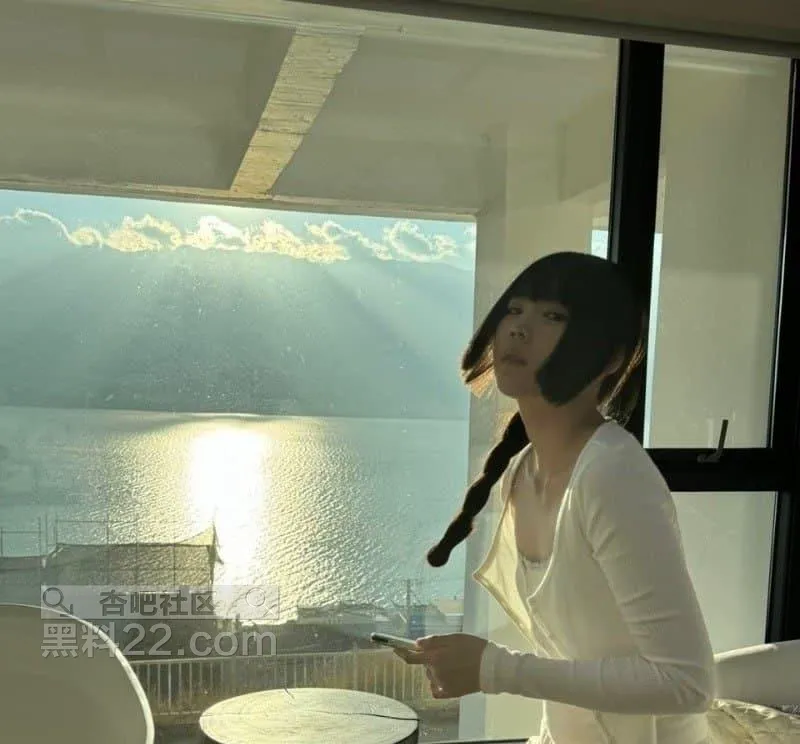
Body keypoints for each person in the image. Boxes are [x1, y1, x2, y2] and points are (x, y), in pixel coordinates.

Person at [395, 252, 715, 743]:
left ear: (610, 358)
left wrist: (495, 669)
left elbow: (687, 683)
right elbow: (570, 659)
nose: (519, 328)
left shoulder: (612, 473)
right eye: (514, 309)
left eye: (553, 316)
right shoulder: (521, 473)